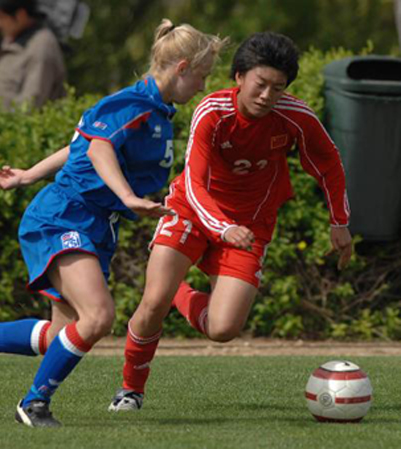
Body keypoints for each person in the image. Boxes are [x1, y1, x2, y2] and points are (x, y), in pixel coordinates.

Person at [0, 19, 226, 427]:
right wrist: (129, 197)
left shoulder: (157, 111)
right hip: (64, 215)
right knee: (98, 317)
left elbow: (79, 143)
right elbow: (98, 148)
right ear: (182, 67)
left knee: (60, 336)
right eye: (202, 76)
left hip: (94, 224)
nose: (202, 86)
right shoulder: (132, 103)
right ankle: (33, 404)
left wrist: (27, 175)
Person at [108, 31, 353, 412]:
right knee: (151, 301)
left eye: (278, 88)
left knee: (223, 329)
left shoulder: (295, 116)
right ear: (238, 76)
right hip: (192, 211)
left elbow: (329, 162)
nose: (267, 96)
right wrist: (221, 226)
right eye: (260, 84)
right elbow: (194, 182)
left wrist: (339, 221)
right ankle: (130, 391)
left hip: (249, 226)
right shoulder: (212, 111)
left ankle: (179, 293)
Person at [0, 0, 66, 110]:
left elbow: (30, 106)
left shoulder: (42, 45)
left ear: (21, 15)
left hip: (14, 126)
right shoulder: (14, 38)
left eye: (1, 17)